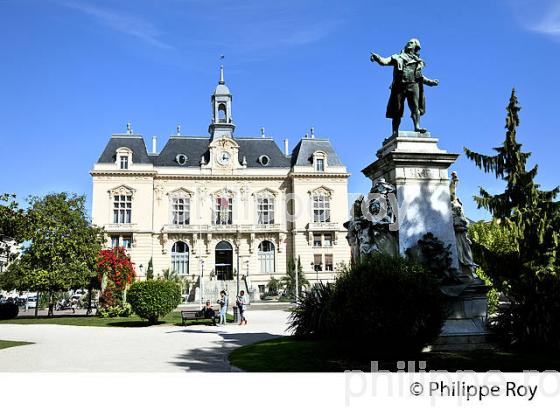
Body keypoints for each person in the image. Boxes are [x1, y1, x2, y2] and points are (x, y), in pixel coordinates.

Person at [370, 38, 439, 136]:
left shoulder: (418, 61)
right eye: (408, 42)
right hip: (399, 86)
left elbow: (420, 77)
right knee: (397, 110)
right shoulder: (397, 57)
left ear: (416, 46)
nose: (408, 44)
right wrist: (377, 58)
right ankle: (395, 131)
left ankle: (417, 127)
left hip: (413, 84)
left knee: (415, 107)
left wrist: (430, 82)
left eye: (411, 43)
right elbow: (384, 62)